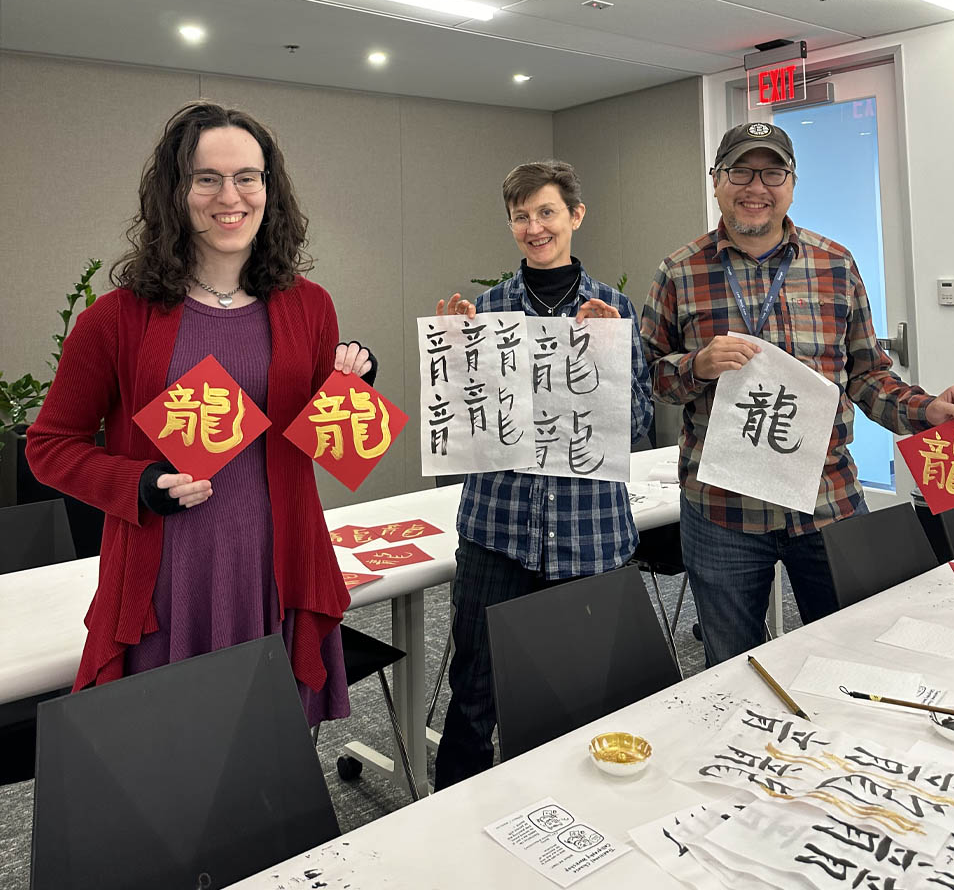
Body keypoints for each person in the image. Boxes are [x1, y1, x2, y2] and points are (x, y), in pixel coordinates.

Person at [27, 101, 376, 726]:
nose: (230, 195)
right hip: (171, 576)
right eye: (206, 178)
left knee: (268, 757)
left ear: (269, 187)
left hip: (277, 567)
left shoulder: (309, 306)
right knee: (170, 757)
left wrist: (354, 384)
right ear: (175, 191)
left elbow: (317, 436)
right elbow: (49, 446)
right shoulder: (116, 318)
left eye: (248, 176)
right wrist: (137, 483)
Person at [641, 122, 954, 668]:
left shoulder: (835, 264)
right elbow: (649, 376)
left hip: (828, 502)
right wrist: (696, 365)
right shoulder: (679, 270)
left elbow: (867, 375)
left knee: (855, 655)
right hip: (722, 509)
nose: (756, 186)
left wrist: (925, 410)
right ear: (717, 181)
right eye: (740, 171)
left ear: (791, 184)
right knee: (729, 667)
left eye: (772, 172)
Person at [433, 159, 653, 789]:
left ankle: (569, 823)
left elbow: (636, 425)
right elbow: (465, 434)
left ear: (575, 216)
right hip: (497, 530)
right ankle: (454, 828)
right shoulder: (484, 311)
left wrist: (612, 362)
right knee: (474, 693)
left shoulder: (612, 308)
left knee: (579, 692)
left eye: (547, 212)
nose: (535, 227)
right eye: (521, 216)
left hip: (589, 533)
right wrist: (452, 359)